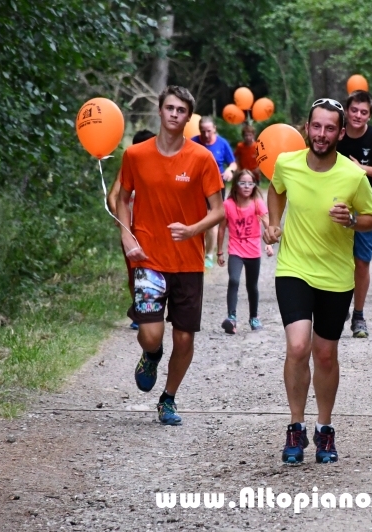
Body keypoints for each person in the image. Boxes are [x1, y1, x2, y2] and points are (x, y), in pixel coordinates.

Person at [264, 98, 372, 464]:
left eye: (330, 128)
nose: (322, 134)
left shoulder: (353, 175)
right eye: (317, 126)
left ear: (341, 133)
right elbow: (276, 190)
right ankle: (295, 426)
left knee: (325, 354)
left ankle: (324, 428)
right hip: (293, 269)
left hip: (335, 275)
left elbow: (371, 219)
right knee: (298, 347)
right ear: (307, 128)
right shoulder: (287, 163)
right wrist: (273, 223)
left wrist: (351, 221)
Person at [117, 86, 225, 426]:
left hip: (188, 262)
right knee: (151, 334)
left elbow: (218, 211)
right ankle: (151, 355)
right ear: (160, 111)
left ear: (188, 117)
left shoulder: (202, 158)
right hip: (148, 257)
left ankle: (168, 398)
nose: (174, 114)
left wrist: (194, 230)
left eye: (181, 110)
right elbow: (122, 197)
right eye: (169, 108)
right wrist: (125, 233)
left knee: (184, 336)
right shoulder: (136, 155)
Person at [336, 90, 372, 338]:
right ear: (346, 111)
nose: (358, 116)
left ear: (370, 115)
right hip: (336, 201)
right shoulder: (336, 132)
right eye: (354, 110)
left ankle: (358, 315)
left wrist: (362, 169)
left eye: (364, 112)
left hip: (365, 204)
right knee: (337, 260)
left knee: (361, 261)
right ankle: (338, 308)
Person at [107, 129, 156, 330]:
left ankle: (151, 309)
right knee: (133, 273)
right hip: (131, 230)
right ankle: (139, 310)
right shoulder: (127, 169)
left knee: (154, 270)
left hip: (153, 230)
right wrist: (119, 217)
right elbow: (113, 196)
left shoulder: (160, 168)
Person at [216, 170, 273, 334]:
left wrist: (268, 243)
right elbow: (221, 229)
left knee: (252, 286)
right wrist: (219, 252)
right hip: (235, 249)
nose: (247, 186)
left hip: (253, 251)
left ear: (254, 185)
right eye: (242, 183)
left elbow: (267, 222)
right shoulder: (228, 205)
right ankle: (231, 318)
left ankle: (254, 317)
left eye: (250, 183)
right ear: (235, 185)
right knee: (234, 280)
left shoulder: (257, 202)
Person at [191, 116, 237, 268]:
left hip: (216, 186)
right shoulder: (192, 142)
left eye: (209, 131)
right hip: (195, 186)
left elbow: (233, 163)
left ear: (215, 129)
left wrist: (230, 170)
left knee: (212, 220)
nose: (205, 135)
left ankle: (209, 254)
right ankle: (195, 251)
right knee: (195, 219)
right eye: (202, 131)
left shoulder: (222, 143)